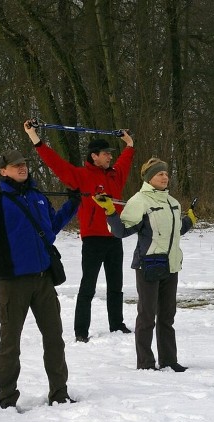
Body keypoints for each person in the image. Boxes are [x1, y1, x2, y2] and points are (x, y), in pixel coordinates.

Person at [0, 150, 79, 408]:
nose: (22, 168)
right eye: (15, 165)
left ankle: (59, 393)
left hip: (44, 279)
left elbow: (51, 228)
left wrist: (73, 204)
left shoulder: (38, 197)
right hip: (13, 282)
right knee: (10, 342)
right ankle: (7, 399)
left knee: (54, 338)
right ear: (3, 171)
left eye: (23, 164)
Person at [24, 120, 135, 342]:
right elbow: (56, 163)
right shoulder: (80, 176)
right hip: (92, 240)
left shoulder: (115, 176)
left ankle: (117, 324)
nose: (110, 157)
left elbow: (125, 160)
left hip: (114, 237)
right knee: (88, 287)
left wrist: (130, 144)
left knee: (116, 285)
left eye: (110, 154)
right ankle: (81, 331)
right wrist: (34, 138)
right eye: (106, 154)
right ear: (94, 156)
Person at [93, 157, 196, 372]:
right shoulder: (139, 201)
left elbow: (174, 232)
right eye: (160, 174)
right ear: (150, 178)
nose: (165, 177)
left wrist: (189, 221)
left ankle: (169, 360)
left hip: (171, 266)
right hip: (148, 265)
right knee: (147, 316)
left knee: (167, 317)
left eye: (166, 173)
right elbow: (121, 231)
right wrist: (111, 212)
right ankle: (146, 363)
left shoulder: (173, 202)